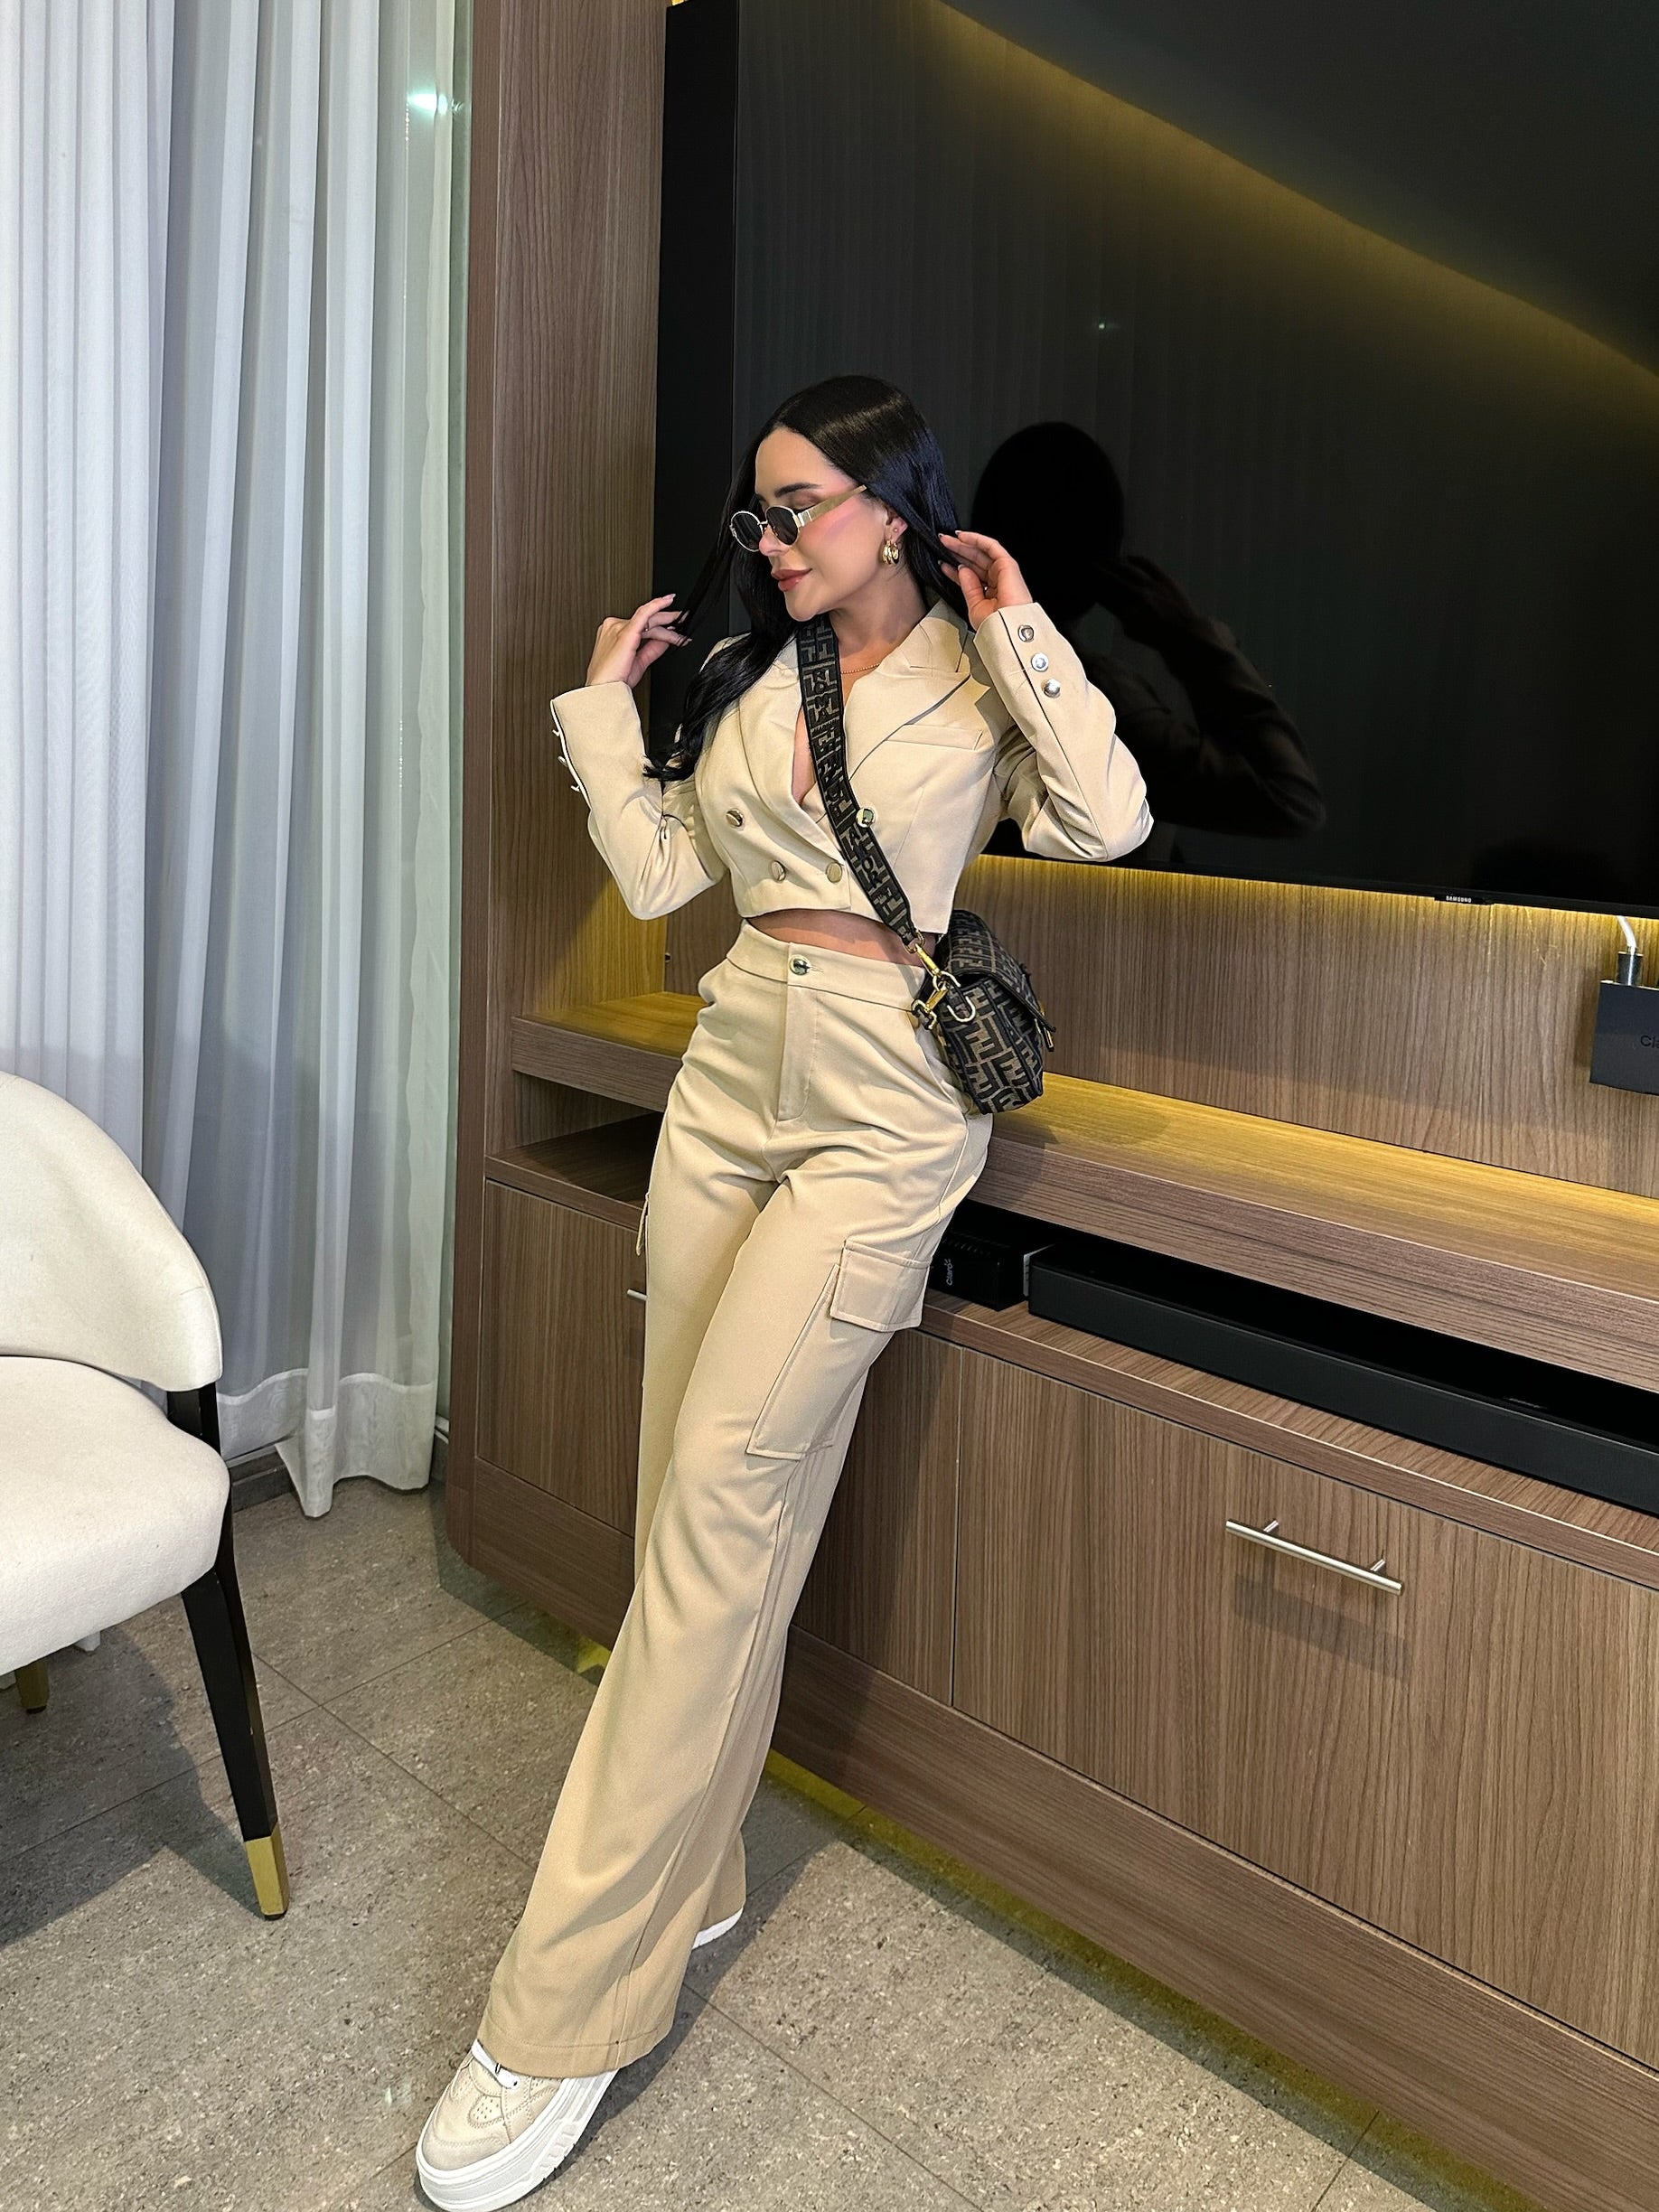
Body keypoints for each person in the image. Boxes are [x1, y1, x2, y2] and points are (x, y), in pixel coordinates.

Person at [415, 375, 1152, 2209]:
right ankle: (698, 1869)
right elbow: (667, 870)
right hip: (729, 1074)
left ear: (895, 507)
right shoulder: (757, 678)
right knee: (681, 1495)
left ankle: (561, 2011)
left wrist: (1022, 625)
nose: (769, 537)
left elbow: (1108, 820)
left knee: (719, 1516)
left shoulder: (979, 678)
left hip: (882, 1112)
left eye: (800, 503)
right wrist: (606, 711)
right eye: (758, 512)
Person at [970, 422, 1324, 865]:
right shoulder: (1097, 698)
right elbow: (1290, 801)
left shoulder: (956, 664)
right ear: (1106, 560)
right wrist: (1187, 636)